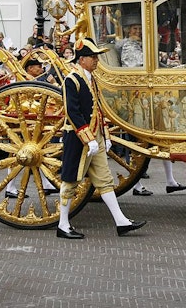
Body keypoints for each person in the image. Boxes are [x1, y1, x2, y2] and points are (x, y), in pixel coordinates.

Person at [57, 37, 147, 239]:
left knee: (105, 180)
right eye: (92, 57)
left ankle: (121, 221)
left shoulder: (91, 79)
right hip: (78, 138)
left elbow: (98, 110)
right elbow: (73, 112)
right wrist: (87, 138)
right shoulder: (72, 80)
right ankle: (62, 224)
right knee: (70, 180)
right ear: (81, 60)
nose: (96, 60)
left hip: (94, 136)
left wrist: (104, 135)